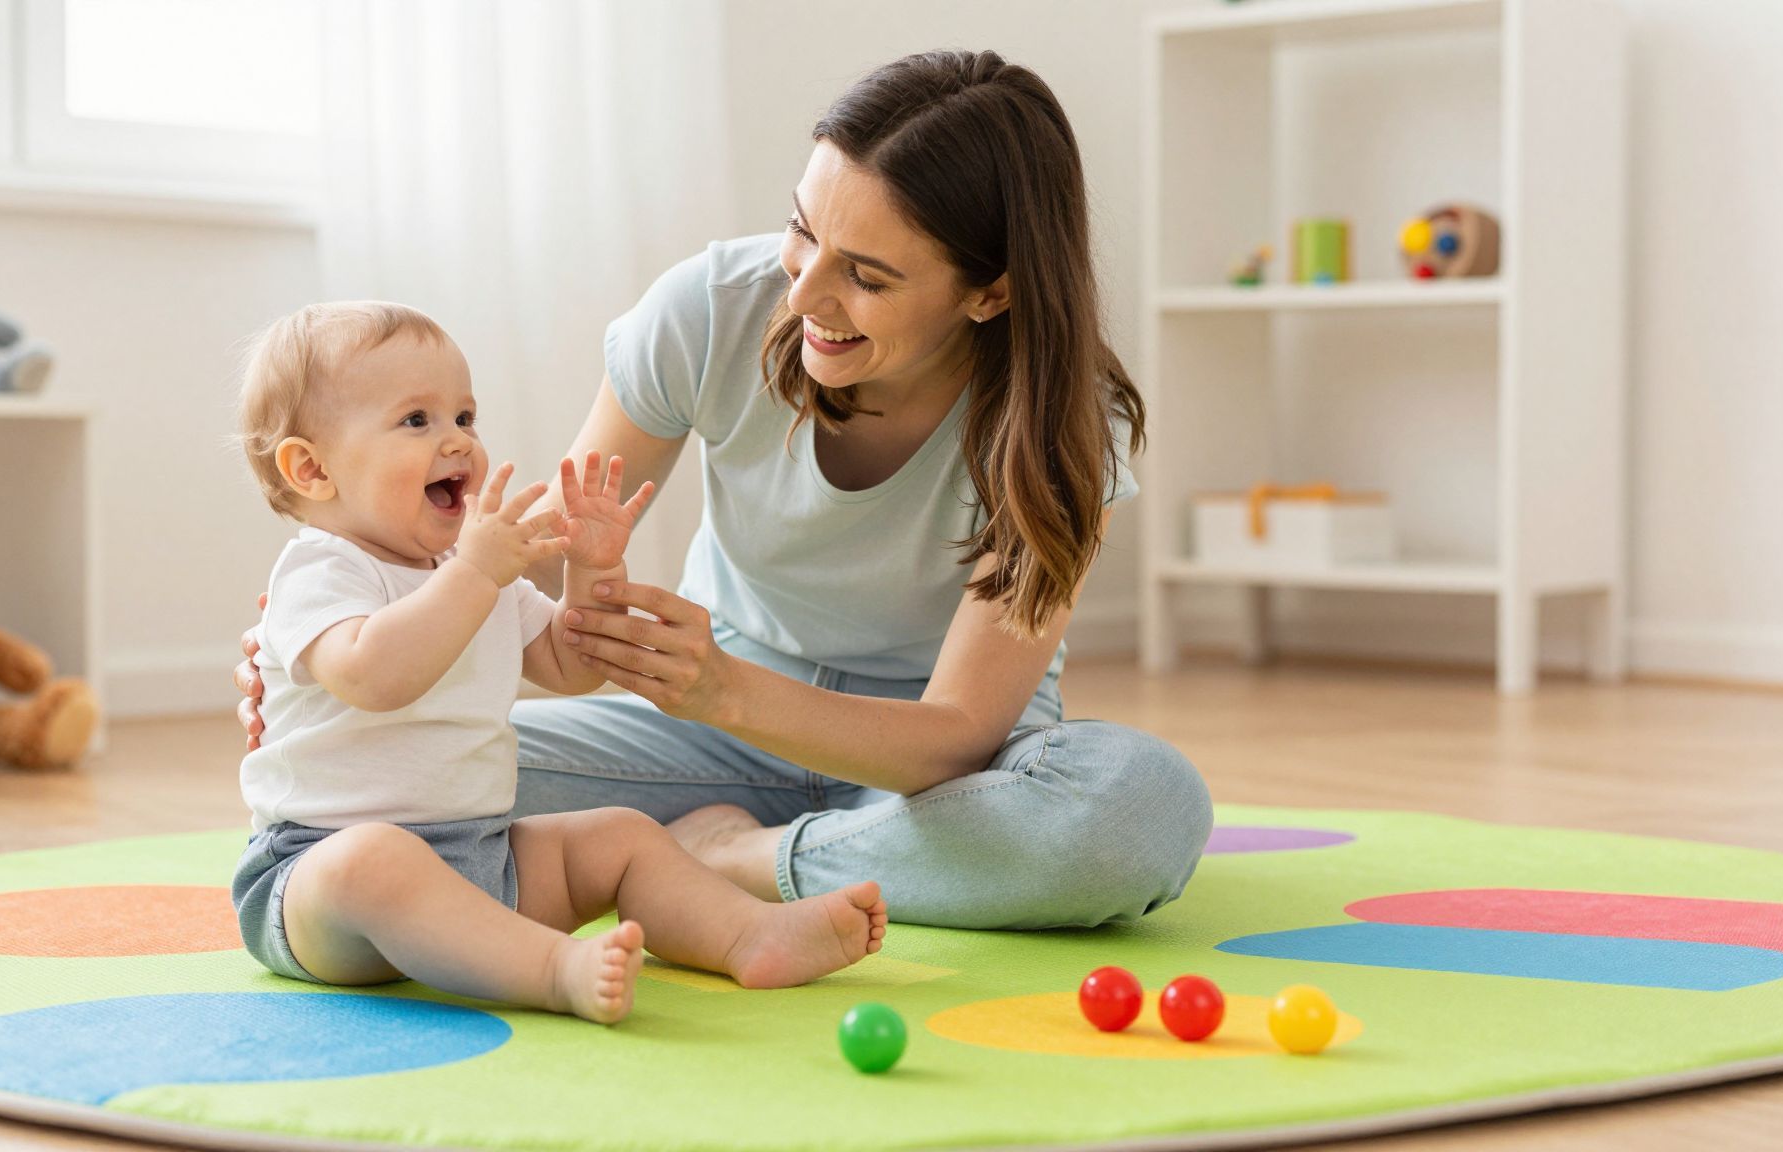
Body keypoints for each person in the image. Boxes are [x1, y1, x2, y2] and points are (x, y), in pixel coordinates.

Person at [238, 50, 1212, 933]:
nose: (801, 296)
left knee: (1132, 810)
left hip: (940, 780)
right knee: (387, 783)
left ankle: (735, 862)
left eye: (864, 276)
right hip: (701, 742)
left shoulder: (1065, 421)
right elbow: (529, 547)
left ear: (987, 292)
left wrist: (723, 690)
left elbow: (955, 737)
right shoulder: (709, 308)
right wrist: (347, 643)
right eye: (802, 231)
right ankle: (849, 869)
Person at [229, 302, 886, 1024]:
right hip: (318, 884)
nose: (457, 442)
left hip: (483, 858)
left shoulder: (474, 568)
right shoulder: (321, 571)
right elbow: (375, 676)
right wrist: (476, 575)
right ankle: (550, 970)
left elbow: (576, 667)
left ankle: (747, 935)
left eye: (465, 416)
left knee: (623, 835)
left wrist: (590, 568)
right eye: (417, 421)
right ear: (312, 468)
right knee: (379, 859)